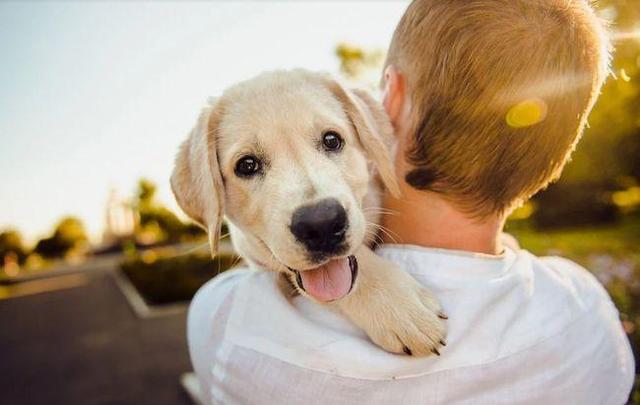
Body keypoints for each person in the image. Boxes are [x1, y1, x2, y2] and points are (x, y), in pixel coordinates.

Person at [187, 0, 635, 403]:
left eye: (330, 140)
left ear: (390, 101)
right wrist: (364, 283)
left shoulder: (228, 323)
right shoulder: (589, 314)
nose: (316, 206)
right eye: (249, 166)